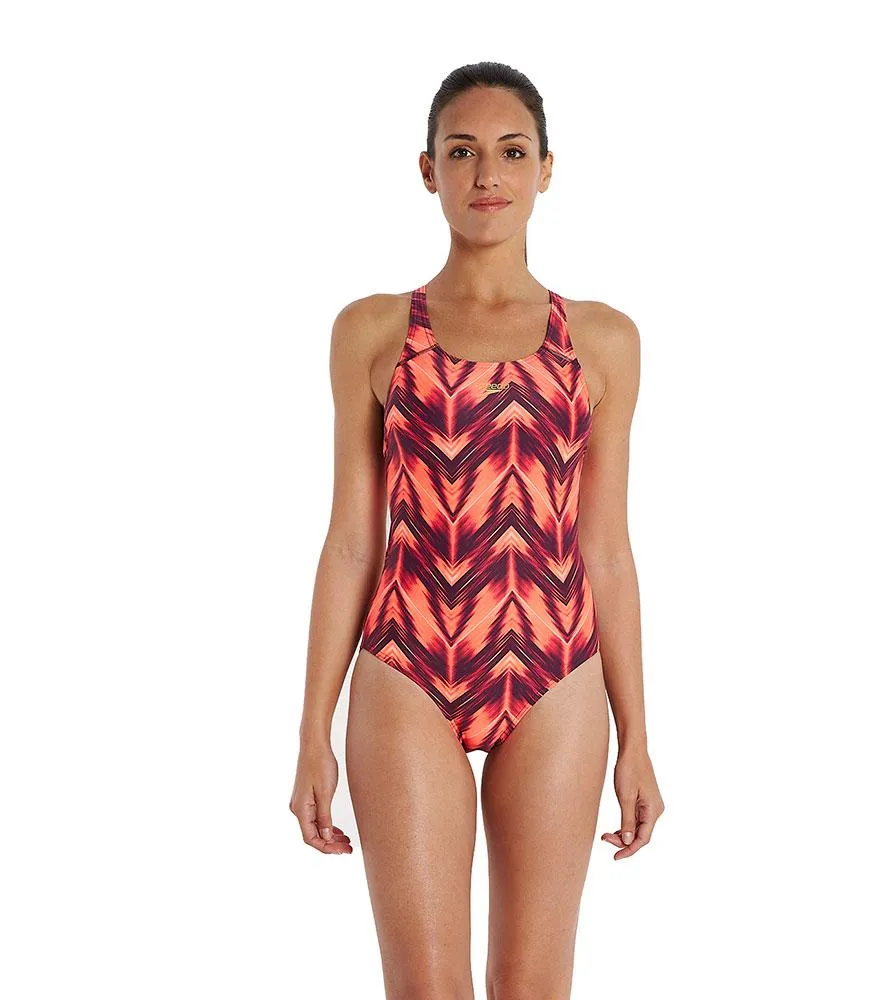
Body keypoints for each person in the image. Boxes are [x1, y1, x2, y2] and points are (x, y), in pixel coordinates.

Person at [289, 60, 664, 999]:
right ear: (428, 171)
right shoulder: (374, 332)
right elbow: (350, 543)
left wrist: (638, 737)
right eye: (462, 152)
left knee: (532, 988)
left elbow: (607, 550)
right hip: (407, 665)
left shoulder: (601, 340)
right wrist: (311, 729)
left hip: (557, 671)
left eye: (511, 151)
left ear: (547, 169)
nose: (487, 173)